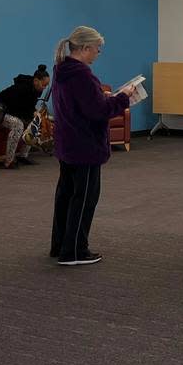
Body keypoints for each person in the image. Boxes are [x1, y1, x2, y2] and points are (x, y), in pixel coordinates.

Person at [50, 26, 135, 266]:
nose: (98, 53)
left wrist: (103, 97)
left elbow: (82, 104)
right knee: (84, 198)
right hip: (85, 145)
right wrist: (124, 96)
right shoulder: (82, 75)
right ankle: (75, 251)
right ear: (85, 48)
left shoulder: (62, 70)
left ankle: (60, 245)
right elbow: (98, 112)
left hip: (68, 142)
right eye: (98, 49)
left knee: (66, 196)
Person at [0, 64, 50, 168]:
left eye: (46, 85)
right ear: (36, 81)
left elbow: (28, 106)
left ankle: (23, 156)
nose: (44, 88)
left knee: (35, 122)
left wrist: (35, 114)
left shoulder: (35, 90)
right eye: (43, 85)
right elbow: (15, 107)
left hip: (12, 111)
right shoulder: (22, 88)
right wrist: (31, 113)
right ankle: (9, 161)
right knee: (18, 124)